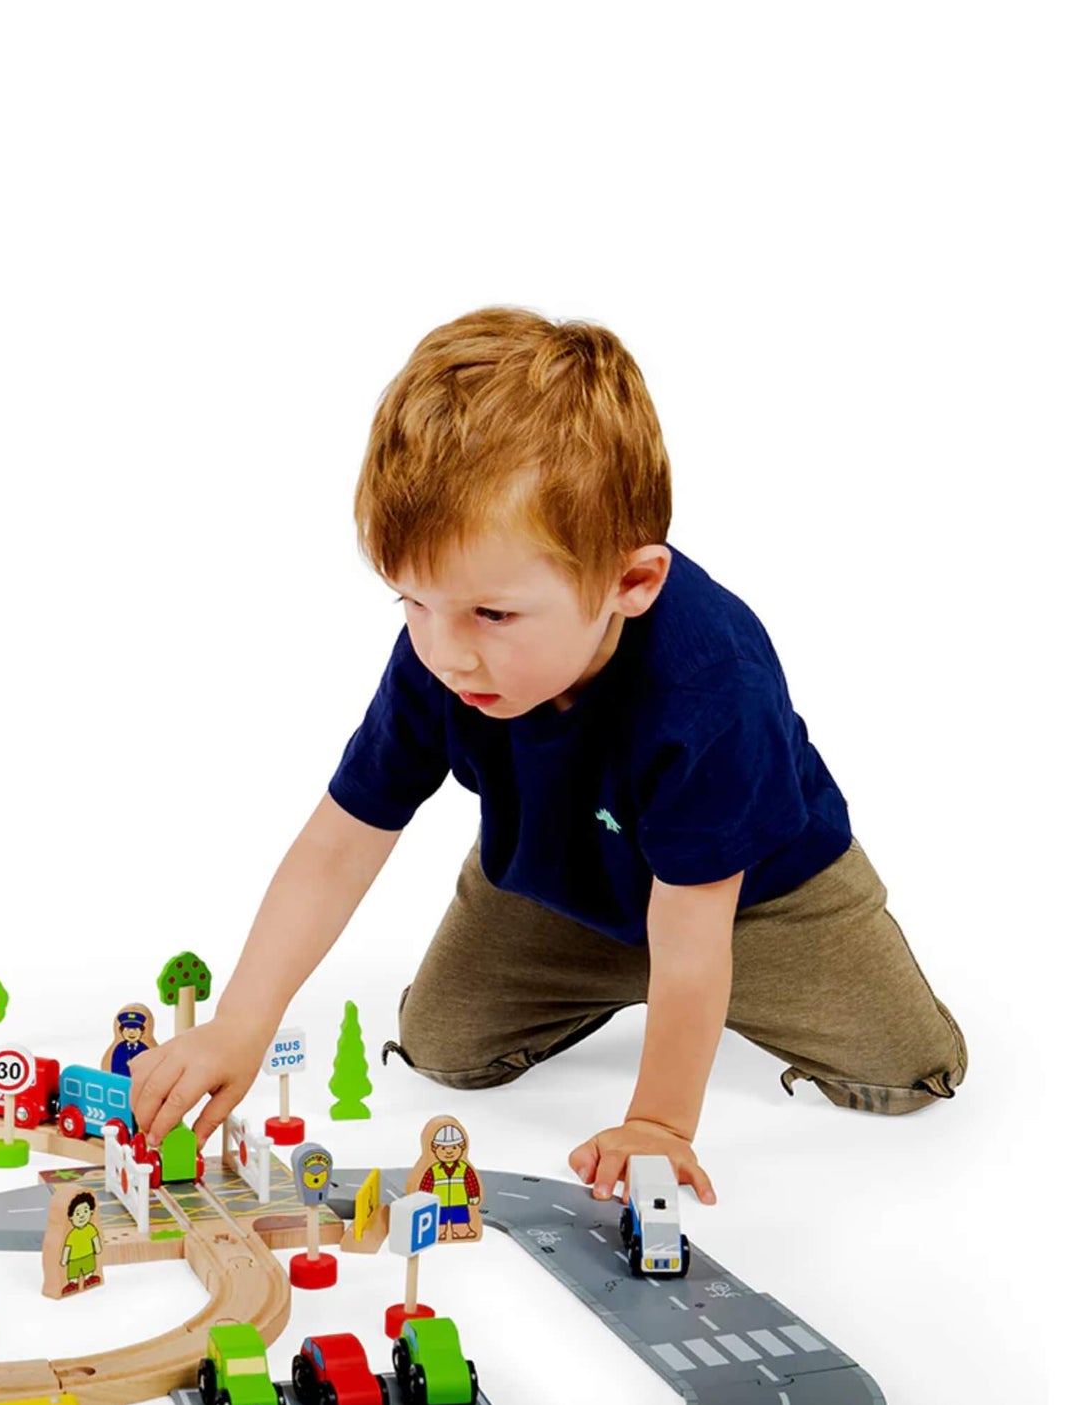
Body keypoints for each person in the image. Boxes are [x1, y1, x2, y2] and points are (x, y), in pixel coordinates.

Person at [130, 306, 967, 1205]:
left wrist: (658, 1122)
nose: (446, 653)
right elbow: (340, 842)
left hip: (749, 900)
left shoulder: (711, 683)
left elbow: (690, 936)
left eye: (491, 614)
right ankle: (610, 970)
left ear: (631, 582)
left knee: (908, 1070)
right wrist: (241, 1020)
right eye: (411, 601)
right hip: (562, 878)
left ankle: (686, 999)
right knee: (445, 1049)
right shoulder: (440, 654)